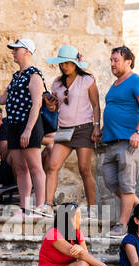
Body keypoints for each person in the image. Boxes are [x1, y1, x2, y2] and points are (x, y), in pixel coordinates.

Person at [0, 37, 48, 214]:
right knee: (20, 168)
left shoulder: (34, 75)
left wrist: (28, 130)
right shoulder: (16, 77)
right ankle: (25, 206)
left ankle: (41, 204)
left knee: (35, 166)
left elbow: (37, 104)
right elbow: (2, 99)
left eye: (16, 49)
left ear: (27, 52)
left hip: (29, 125)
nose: (13, 52)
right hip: (13, 125)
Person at [100, 46, 139, 235]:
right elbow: (115, 110)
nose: (113, 64)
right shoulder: (115, 85)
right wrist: (102, 130)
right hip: (113, 141)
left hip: (131, 142)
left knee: (127, 184)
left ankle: (122, 225)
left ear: (128, 61)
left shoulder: (136, 81)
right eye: (111, 60)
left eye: (116, 60)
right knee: (110, 181)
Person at [42, 45, 100, 209]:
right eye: (62, 63)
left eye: (67, 63)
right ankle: (48, 204)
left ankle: (92, 208)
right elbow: (55, 107)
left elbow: (96, 105)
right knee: (52, 165)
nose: (64, 66)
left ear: (75, 63)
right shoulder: (57, 84)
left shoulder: (87, 80)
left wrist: (96, 127)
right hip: (64, 129)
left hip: (84, 128)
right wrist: (50, 105)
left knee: (84, 169)